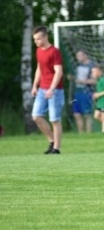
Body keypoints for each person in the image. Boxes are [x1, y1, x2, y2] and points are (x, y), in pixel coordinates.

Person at [31, 26, 65, 154]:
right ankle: (52, 141)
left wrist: (52, 88)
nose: (37, 42)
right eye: (35, 40)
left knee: (54, 119)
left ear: (45, 37)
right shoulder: (39, 51)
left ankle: (56, 148)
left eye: (39, 39)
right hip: (42, 88)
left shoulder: (54, 52)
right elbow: (39, 69)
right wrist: (35, 85)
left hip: (55, 90)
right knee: (36, 116)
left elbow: (59, 71)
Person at [70, 50, 95, 133]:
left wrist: (83, 81)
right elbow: (76, 78)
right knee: (76, 114)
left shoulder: (92, 66)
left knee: (87, 114)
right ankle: (81, 134)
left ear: (85, 55)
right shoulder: (78, 66)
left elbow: (95, 81)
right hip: (77, 93)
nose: (78, 58)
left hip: (87, 93)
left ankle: (88, 134)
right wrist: (72, 78)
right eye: (77, 56)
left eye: (79, 56)